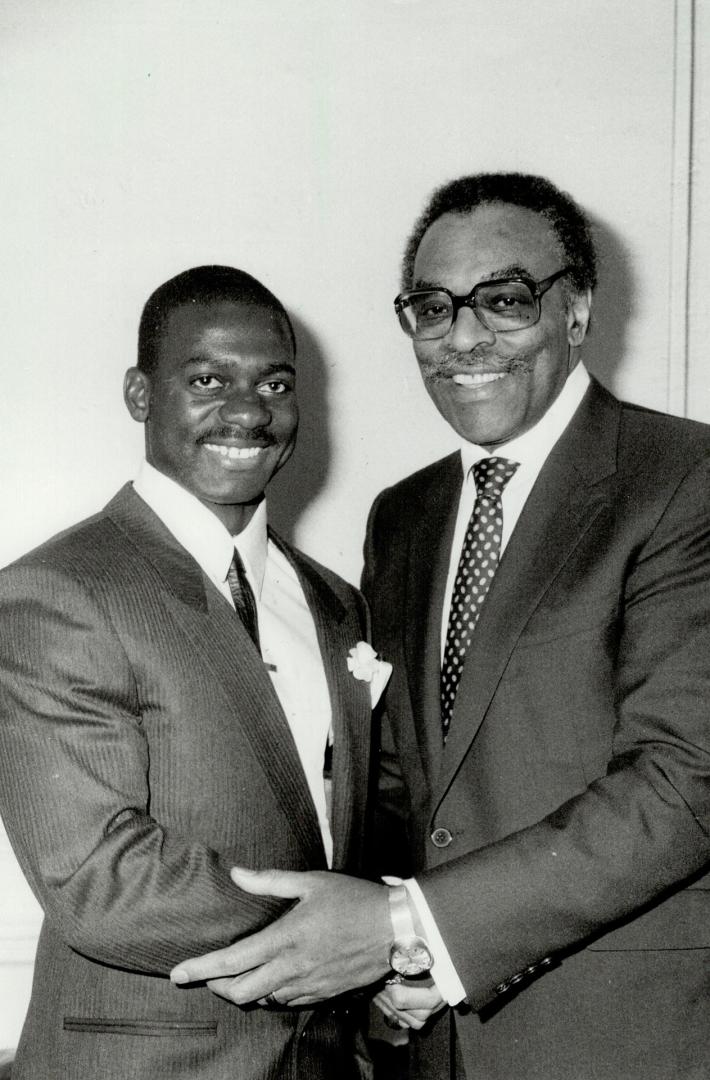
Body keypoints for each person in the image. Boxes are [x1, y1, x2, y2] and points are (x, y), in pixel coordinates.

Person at [170, 177, 710, 1080]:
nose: (463, 338)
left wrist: (406, 927)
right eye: (432, 308)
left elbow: (685, 780)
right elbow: (399, 778)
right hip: (431, 1040)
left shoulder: (683, 480)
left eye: (503, 300)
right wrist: (394, 953)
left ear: (575, 310)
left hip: (624, 1039)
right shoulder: (405, 516)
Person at [0, 265, 377, 1080]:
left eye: (274, 383)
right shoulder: (55, 592)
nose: (247, 411)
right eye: (208, 380)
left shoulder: (336, 602)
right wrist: (361, 930)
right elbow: (99, 878)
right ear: (140, 394)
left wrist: (403, 927)